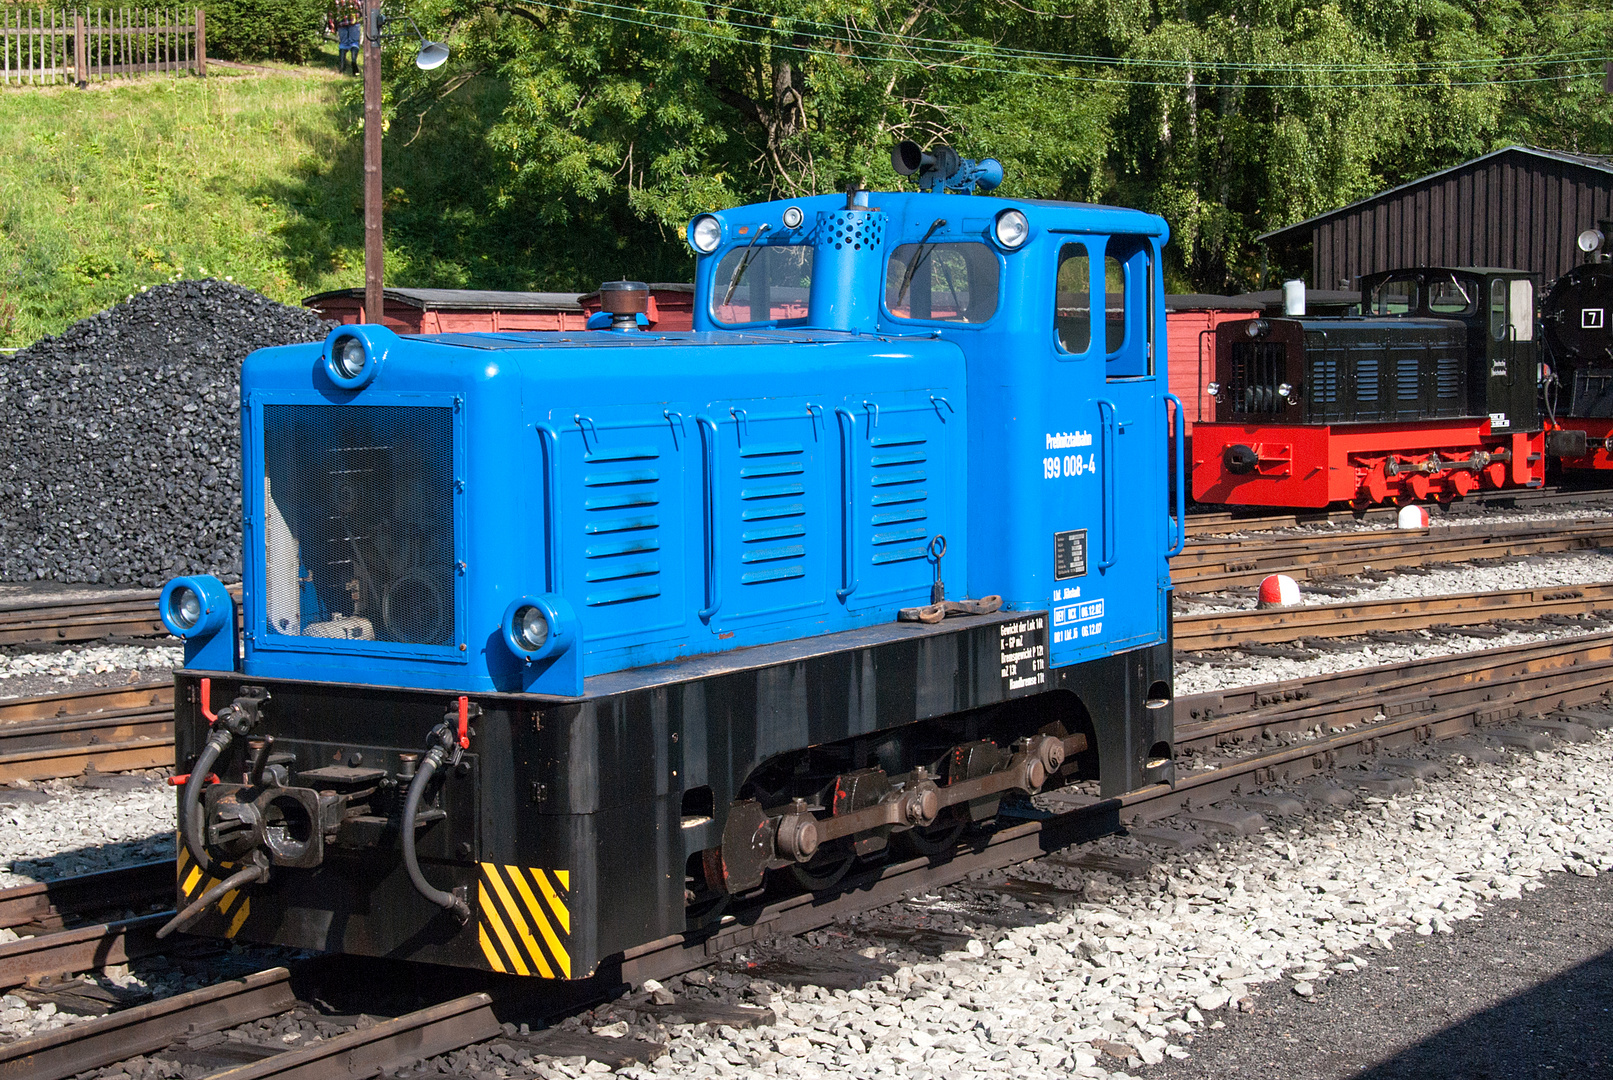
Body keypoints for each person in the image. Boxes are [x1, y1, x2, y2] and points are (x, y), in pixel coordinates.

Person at [329, 0, 363, 75]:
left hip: (341, 22)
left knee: (343, 44)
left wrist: (331, 24)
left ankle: (342, 67)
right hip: (354, 22)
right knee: (354, 42)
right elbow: (361, 6)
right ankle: (353, 61)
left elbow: (331, 10)